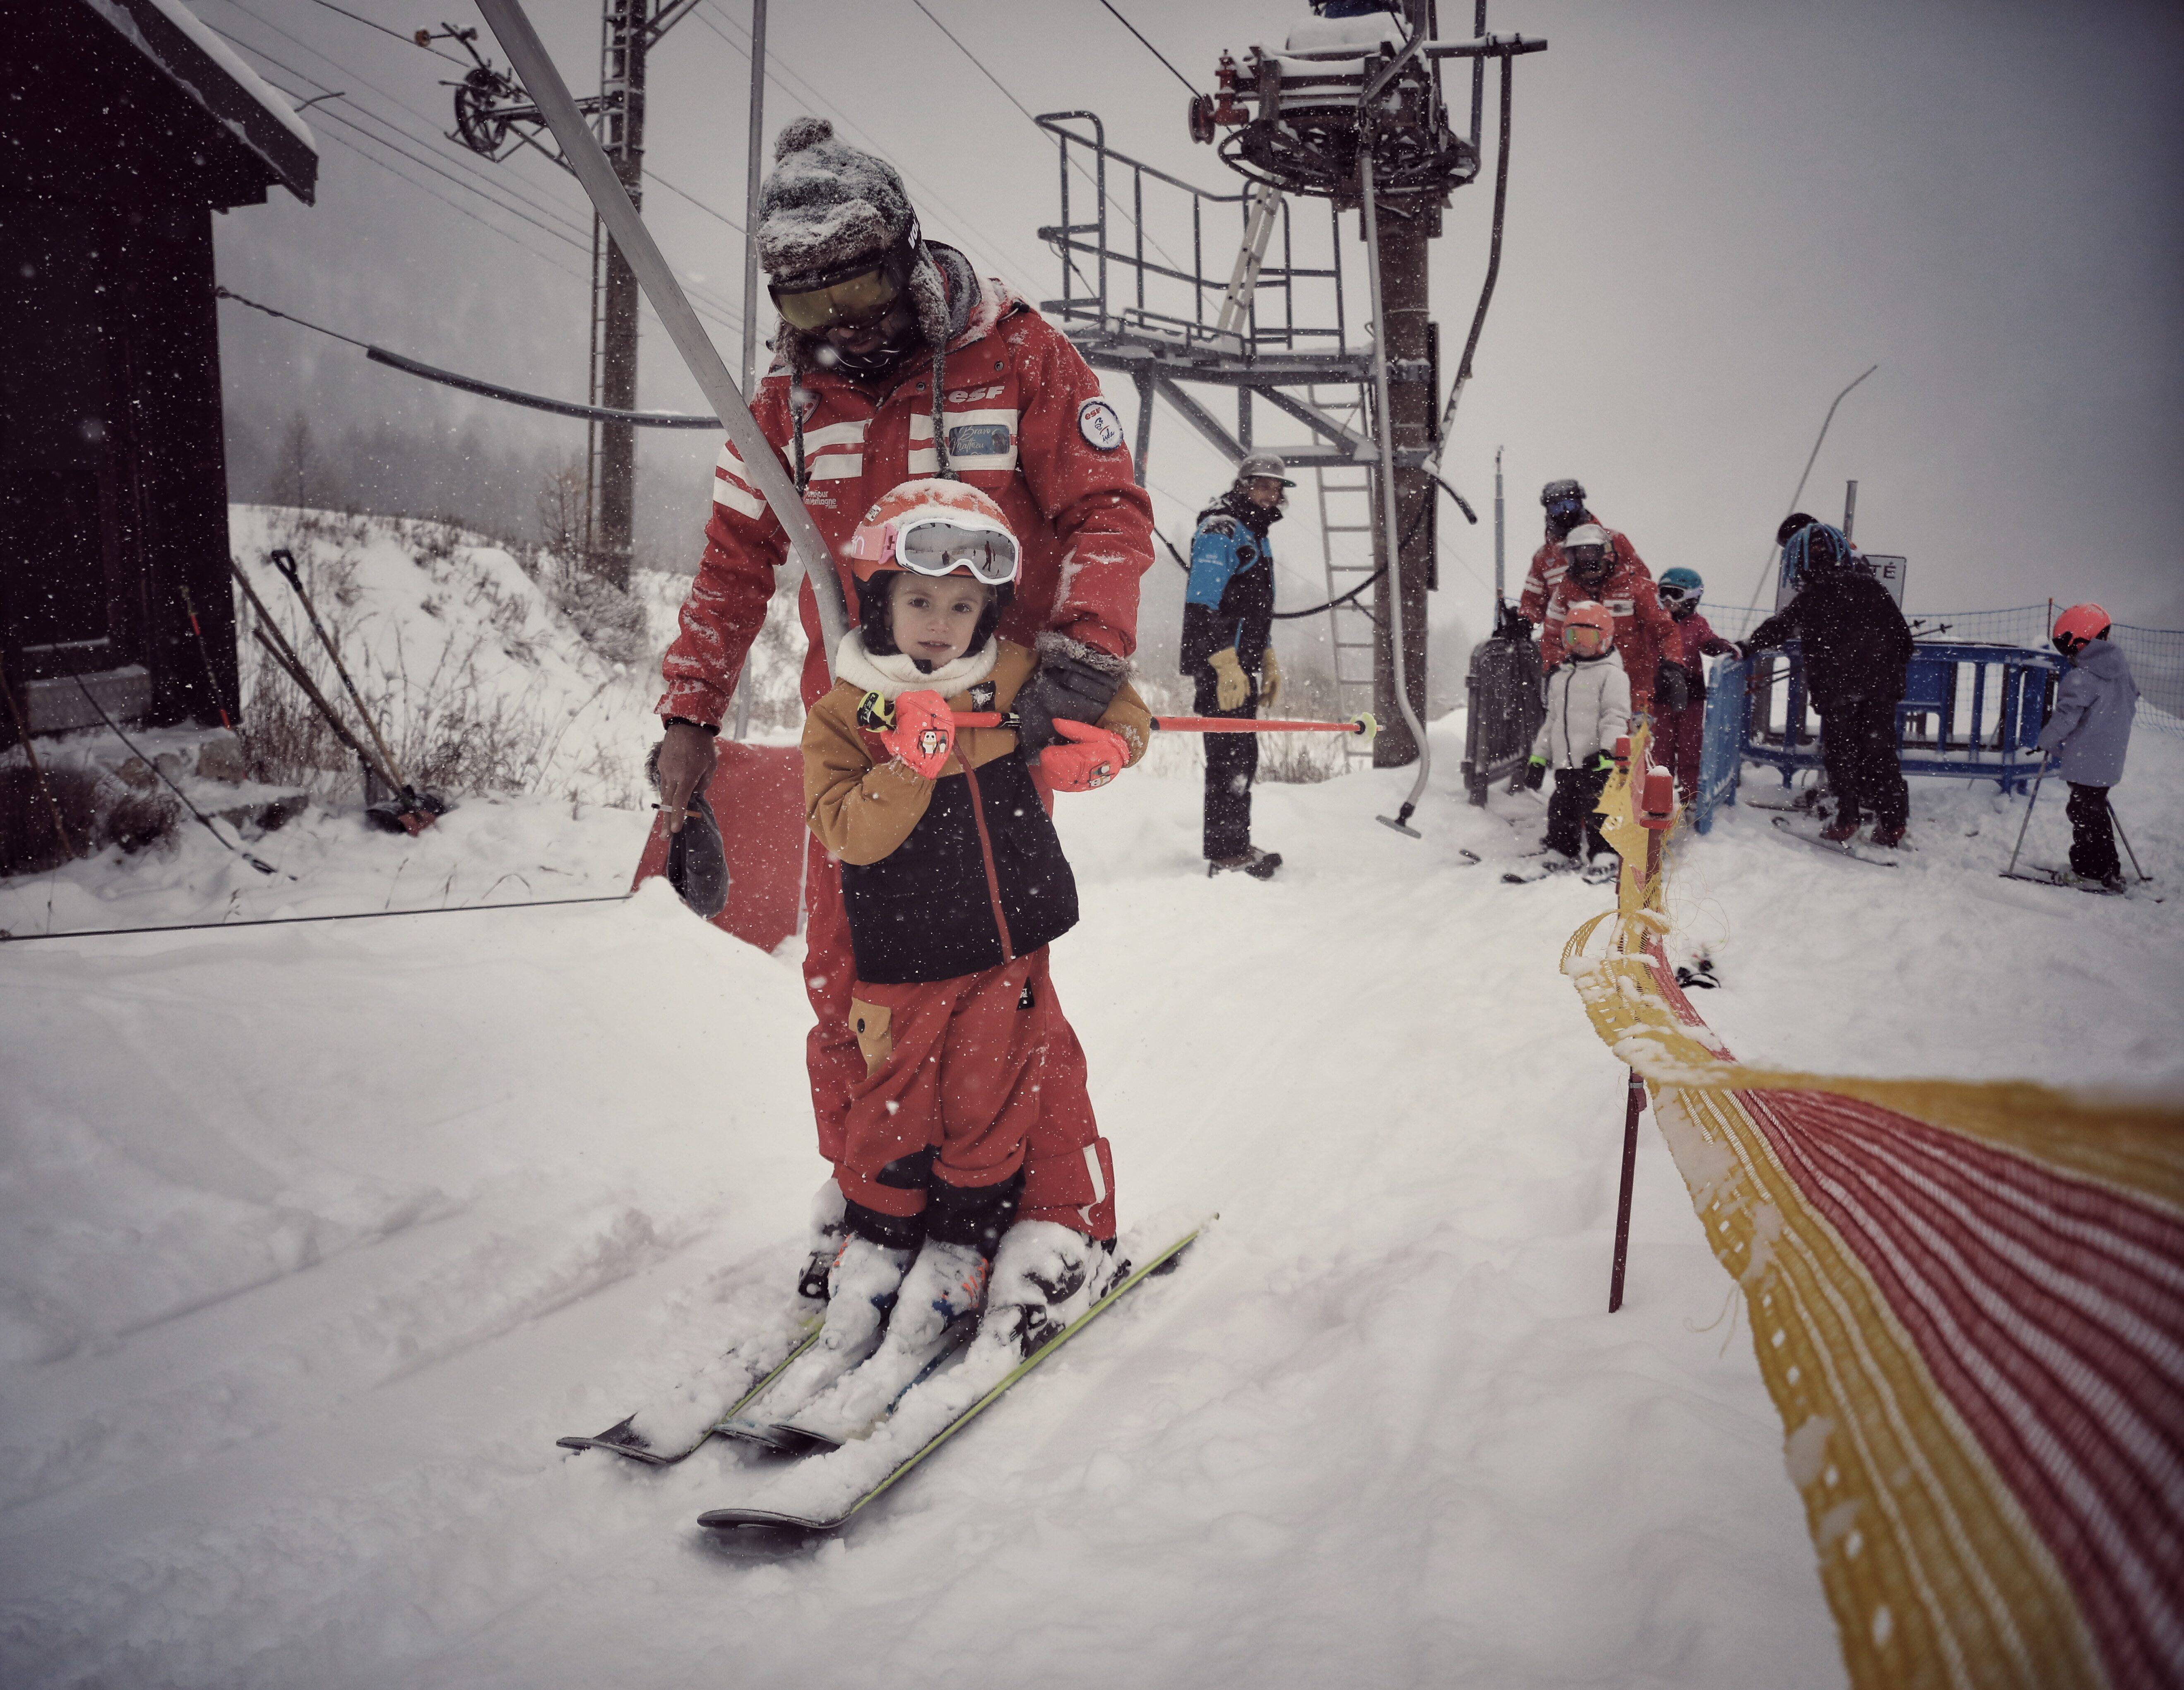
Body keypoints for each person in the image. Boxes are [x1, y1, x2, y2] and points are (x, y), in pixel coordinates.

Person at [651, 118, 1155, 1297]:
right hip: (862, 741)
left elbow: (1106, 512)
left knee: (999, 983)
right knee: (850, 977)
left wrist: (1084, 651)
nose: (846, 328)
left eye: (864, 288)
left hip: (992, 728)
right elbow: (735, 560)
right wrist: (690, 714)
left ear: (907, 252)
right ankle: (882, 1195)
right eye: (811, 306)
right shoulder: (785, 399)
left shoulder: (1017, 355)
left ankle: (1051, 1211)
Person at [797, 480, 1152, 1398]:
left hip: (1006, 942)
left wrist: (1106, 749)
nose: (939, 624)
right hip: (904, 955)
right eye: (919, 600)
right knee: (896, 1100)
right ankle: (879, 1242)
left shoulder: (1011, 678)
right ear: (880, 599)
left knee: (989, 1094)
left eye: (963, 606)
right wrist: (906, 770)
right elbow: (845, 833)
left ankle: (965, 1243)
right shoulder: (844, 712)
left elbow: (1125, 712)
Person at [1739, 516, 1914, 846]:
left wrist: (1746, 646)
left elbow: (1778, 627)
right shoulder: (1873, 588)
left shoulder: (1813, 596)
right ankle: (1893, 824)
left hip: (1838, 691)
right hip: (1880, 689)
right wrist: (1884, 670)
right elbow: (1904, 640)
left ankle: (1846, 818)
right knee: (1881, 754)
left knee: (1842, 754)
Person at [1183, 453, 1291, 879]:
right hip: (1220, 665)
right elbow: (1201, 603)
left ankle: (1236, 842)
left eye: (1276, 488)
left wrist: (1265, 655)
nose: (1270, 495)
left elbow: (1252, 607)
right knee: (1228, 759)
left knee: (1243, 757)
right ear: (1242, 485)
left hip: (1241, 664)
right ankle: (1225, 854)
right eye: (1262, 486)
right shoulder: (1221, 529)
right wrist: (1224, 660)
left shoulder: (1255, 532)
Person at [1520, 601, 1629, 882]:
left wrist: (1609, 752)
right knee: (1561, 808)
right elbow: (1552, 722)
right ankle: (1561, 850)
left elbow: (1615, 717)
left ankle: (1605, 854)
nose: (1580, 645)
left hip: (1597, 762)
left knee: (1599, 810)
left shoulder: (1612, 676)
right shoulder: (1561, 677)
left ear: (1605, 638)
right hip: (1566, 763)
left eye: (1588, 637)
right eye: (1573, 637)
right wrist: (1538, 757)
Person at [2035, 602, 2138, 893]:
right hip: (2109, 758)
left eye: (2067, 648)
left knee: (2083, 814)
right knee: (2095, 813)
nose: (2068, 656)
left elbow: (2067, 717)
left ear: (2080, 639)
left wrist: (2047, 740)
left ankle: (2089, 872)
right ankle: (2108, 867)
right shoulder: (2119, 672)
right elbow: (2131, 703)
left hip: (2086, 760)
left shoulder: (2082, 677)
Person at [1537, 522, 1677, 718]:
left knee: (1627, 746)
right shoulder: (1566, 592)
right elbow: (1552, 635)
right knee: (1583, 744)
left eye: (1591, 556)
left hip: (1633, 688)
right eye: (1577, 556)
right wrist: (1554, 667)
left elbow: (1666, 630)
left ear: (1608, 556)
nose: (1587, 568)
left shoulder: (1636, 588)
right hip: (1584, 689)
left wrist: (1674, 665)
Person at [1516, 478, 1655, 671]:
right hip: (1575, 649)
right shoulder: (1545, 557)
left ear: (1581, 503)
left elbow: (1642, 584)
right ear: (1548, 511)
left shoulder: (1613, 540)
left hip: (1623, 645)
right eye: (1557, 507)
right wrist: (1523, 621)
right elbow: (1533, 602)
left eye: (1570, 504)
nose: (1565, 513)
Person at [1650, 567, 1742, 802]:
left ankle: (1691, 797)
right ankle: (1660, 797)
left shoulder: (1696, 623)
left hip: (1691, 696)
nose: (1669, 601)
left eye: (1676, 594)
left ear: (1692, 599)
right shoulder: (1656, 622)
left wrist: (1722, 647)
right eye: (1664, 594)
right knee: (1661, 751)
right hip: (1659, 697)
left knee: (1691, 749)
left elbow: (1708, 642)